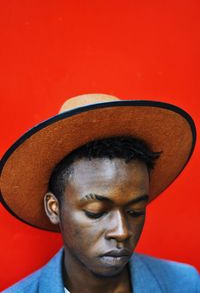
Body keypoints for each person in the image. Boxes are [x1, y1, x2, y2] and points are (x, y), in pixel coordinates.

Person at [0, 93, 199, 293]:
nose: (121, 231)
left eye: (135, 211)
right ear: (54, 208)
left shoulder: (185, 284)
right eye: (96, 212)